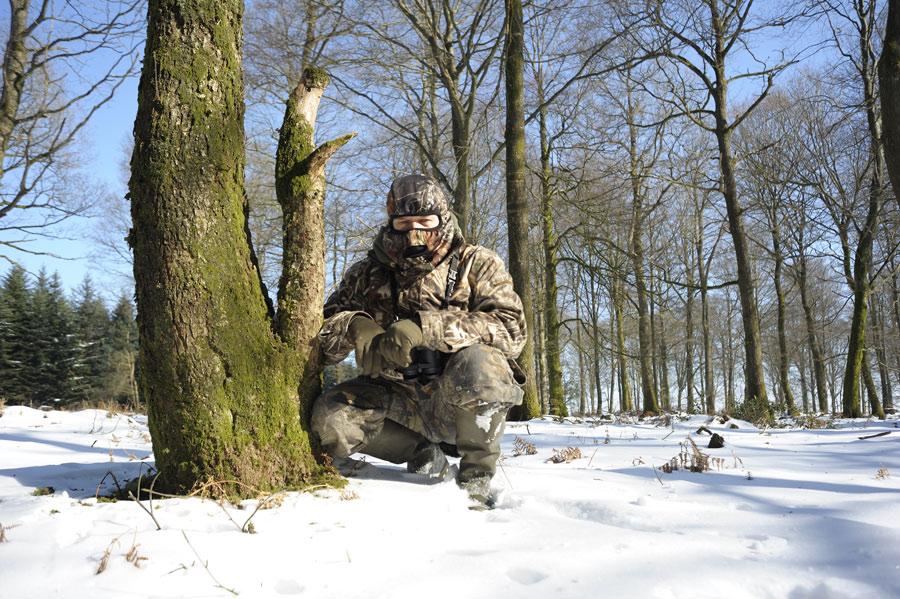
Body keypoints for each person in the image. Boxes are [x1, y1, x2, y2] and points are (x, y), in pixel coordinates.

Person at [311, 174, 526, 507]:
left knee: (481, 362)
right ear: (391, 223)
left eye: (426, 221)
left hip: (457, 401)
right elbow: (317, 341)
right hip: (395, 400)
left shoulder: (477, 262)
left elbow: (511, 331)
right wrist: (354, 324)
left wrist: (425, 328)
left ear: (443, 218)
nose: (415, 231)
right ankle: (421, 453)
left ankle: (477, 480)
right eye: (404, 221)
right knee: (329, 416)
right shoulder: (365, 274)